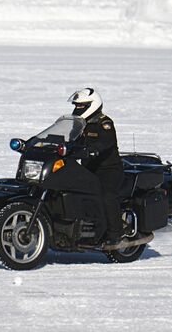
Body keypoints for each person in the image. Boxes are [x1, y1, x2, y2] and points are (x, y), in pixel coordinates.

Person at [68, 88, 125, 247]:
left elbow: (107, 141)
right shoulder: (79, 124)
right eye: (77, 106)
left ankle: (116, 234)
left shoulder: (104, 122)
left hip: (109, 170)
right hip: (88, 170)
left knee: (106, 195)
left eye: (82, 106)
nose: (78, 109)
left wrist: (94, 149)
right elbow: (70, 139)